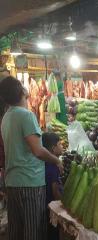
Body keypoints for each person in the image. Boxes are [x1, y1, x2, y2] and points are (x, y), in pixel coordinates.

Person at [0, 76, 63, 240]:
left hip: (12, 182)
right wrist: (56, 161)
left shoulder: (7, 117)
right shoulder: (26, 115)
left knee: (17, 231)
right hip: (29, 184)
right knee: (33, 232)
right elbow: (37, 150)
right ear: (21, 91)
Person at [43, 132, 64, 240]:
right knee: (53, 233)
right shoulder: (53, 166)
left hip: (45, 205)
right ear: (53, 148)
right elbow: (55, 191)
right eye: (60, 144)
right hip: (52, 208)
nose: (62, 146)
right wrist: (63, 206)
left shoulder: (46, 162)